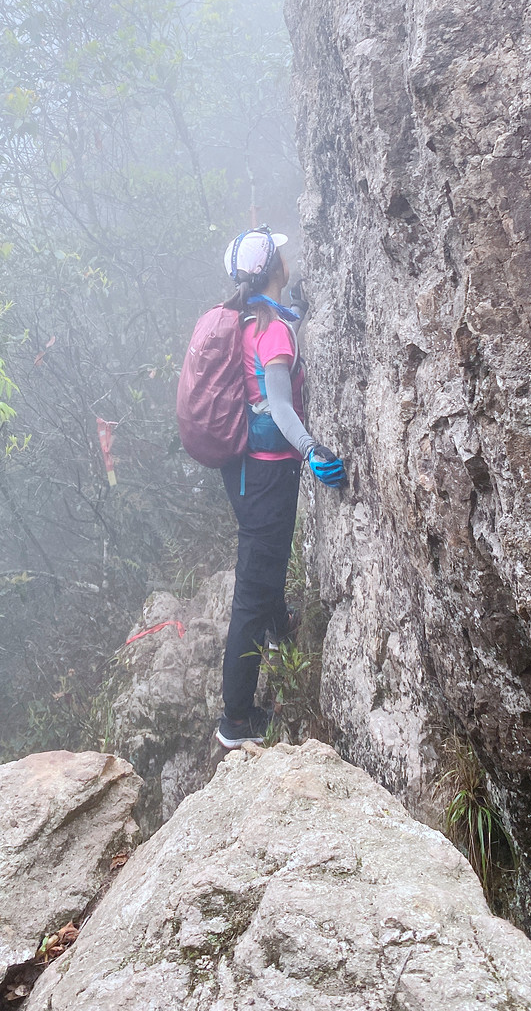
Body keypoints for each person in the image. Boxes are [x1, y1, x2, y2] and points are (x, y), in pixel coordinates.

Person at [216, 226, 346, 749]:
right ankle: (236, 721)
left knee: (262, 562)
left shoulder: (244, 322)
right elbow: (282, 406)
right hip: (267, 472)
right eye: (283, 254)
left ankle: (279, 624)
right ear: (275, 268)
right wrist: (314, 451)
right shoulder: (273, 332)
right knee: (251, 588)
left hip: (242, 468)